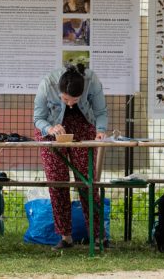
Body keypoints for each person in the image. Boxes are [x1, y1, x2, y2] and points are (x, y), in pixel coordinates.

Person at [33, 63, 108, 250]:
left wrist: (100, 131)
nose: (70, 104)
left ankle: (98, 236)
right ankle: (65, 237)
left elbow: (100, 112)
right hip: (52, 129)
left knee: (88, 182)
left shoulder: (93, 81)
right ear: (59, 90)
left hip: (82, 126)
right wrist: (50, 128)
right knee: (57, 182)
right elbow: (38, 119)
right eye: (66, 99)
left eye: (75, 99)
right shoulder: (46, 84)